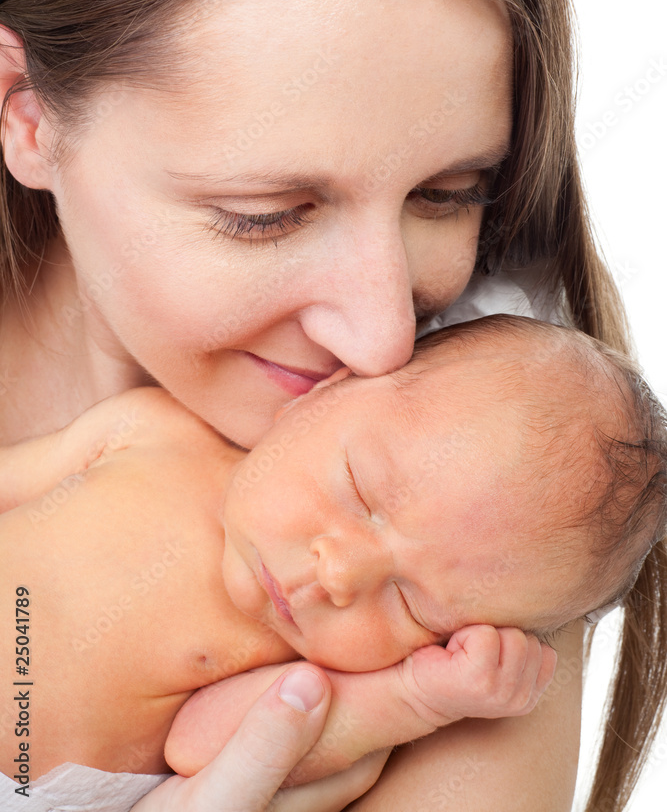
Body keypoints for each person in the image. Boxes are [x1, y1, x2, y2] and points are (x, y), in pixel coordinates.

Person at [1, 0, 665, 810]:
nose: (384, 335)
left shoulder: (498, 492)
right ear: (26, 111)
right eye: (263, 216)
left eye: (447, 194)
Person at [1, 314, 664, 812]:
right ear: (323, 392)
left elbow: (202, 752)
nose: (340, 574)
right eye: (360, 492)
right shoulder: (153, 430)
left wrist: (410, 698)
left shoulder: (305, 673)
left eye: (410, 605)